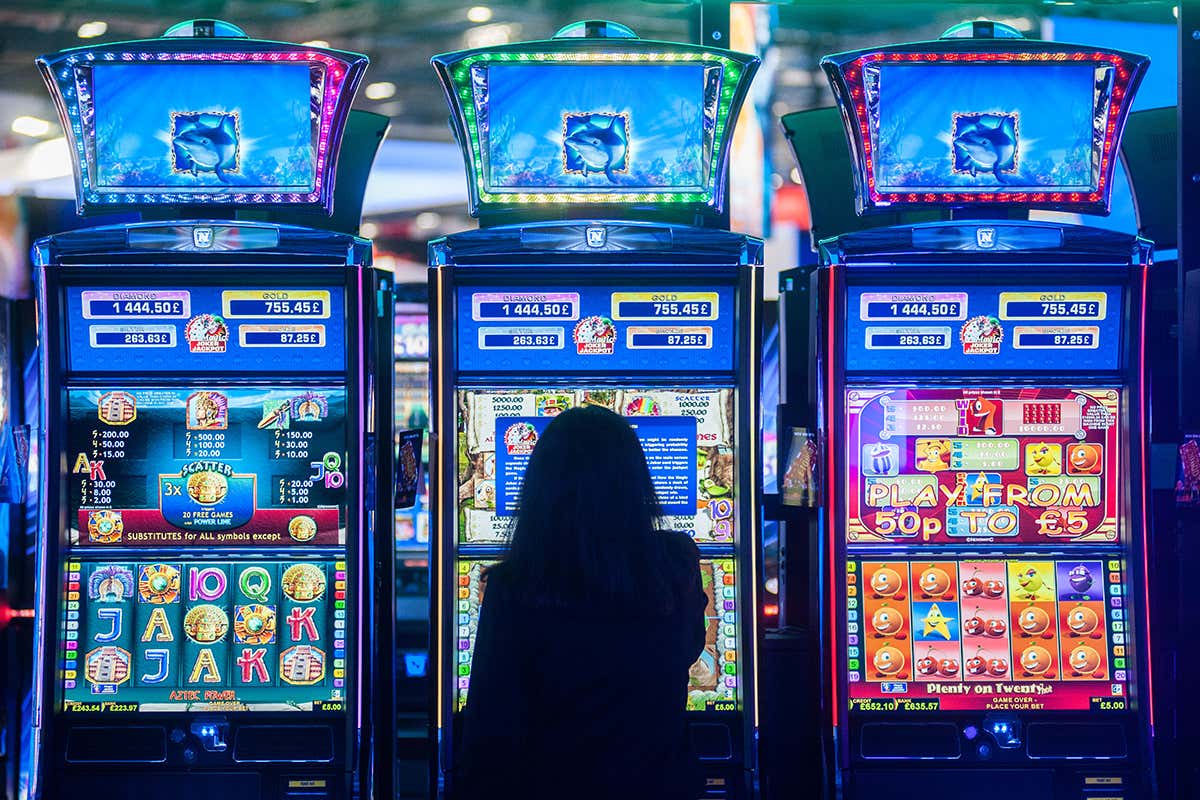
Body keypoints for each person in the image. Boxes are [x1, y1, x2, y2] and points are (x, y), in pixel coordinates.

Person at [455, 404, 708, 800]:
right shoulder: (676, 568)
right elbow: (690, 648)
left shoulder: (517, 587)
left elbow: (490, 732)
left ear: (541, 490)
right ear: (635, 482)